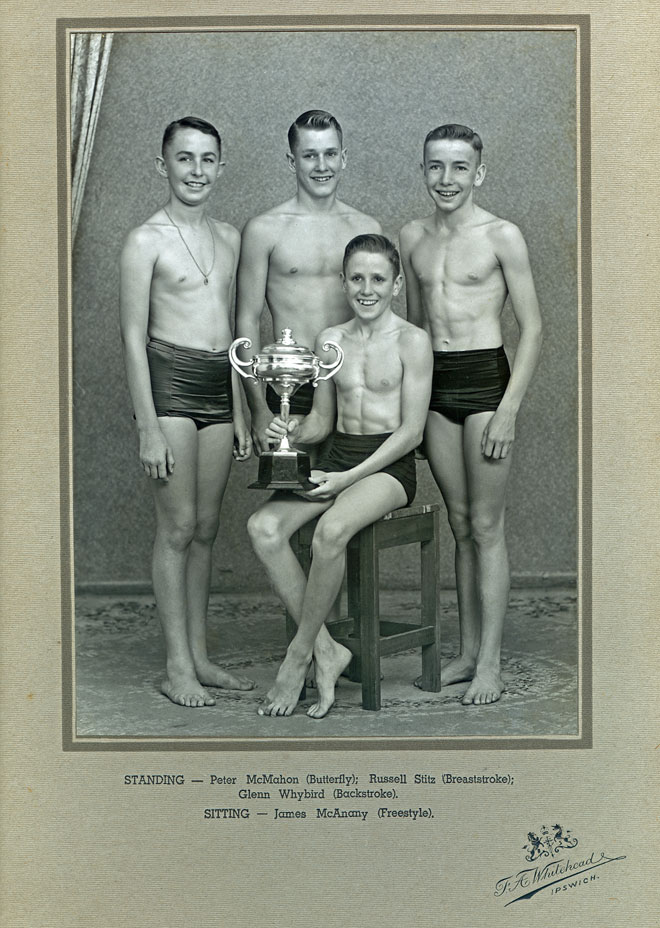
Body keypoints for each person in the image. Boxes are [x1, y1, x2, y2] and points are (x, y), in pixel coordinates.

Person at [247, 234, 433, 718]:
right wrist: (290, 429)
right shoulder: (330, 340)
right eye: (357, 278)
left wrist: (348, 478)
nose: (367, 289)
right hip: (338, 456)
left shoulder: (413, 341)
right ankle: (328, 650)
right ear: (343, 282)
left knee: (329, 532)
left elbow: (412, 432)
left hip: (387, 467)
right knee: (263, 528)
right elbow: (323, 422)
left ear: (396, 285)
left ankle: (298, 657)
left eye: (378, 279)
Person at [399, 123, 543, 705]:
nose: (447, 178)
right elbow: (412, 331)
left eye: (459, 167)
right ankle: (465, 651)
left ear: (478, 173)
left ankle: (491, 663)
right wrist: (407, 412)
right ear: (423, 170)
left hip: (485, 381)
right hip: (435, 387)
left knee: (486, 526)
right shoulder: (412, 236)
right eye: (436, 166)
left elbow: (533, 328)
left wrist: (508, 409)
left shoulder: (502, 236)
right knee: (459, 523)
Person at [119, 116, 254, 708]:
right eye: (184, 158)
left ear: (221, 167)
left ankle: (199, 656)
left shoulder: (229, 237)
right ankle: (176, 666)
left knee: (205, 527)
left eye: (207, 160)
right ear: (163, 165)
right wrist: (148, 427)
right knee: (175, 527)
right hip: (169, 384)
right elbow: (131, 337)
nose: (196, 171)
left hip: (218, 386)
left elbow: (229, 330)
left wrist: (240, 409)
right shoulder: (144, 240)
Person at [236, 109, 381, 456]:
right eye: (310, 155)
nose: (322, 165)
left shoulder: (367, 229)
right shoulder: (264, 230)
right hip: (291, 384)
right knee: (294, 487)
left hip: (355, 381)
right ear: (292, 161)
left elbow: (381, 318)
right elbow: (246, 321)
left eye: (330, 153)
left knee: (352, 487)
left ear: (343, 157)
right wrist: (258, 409)